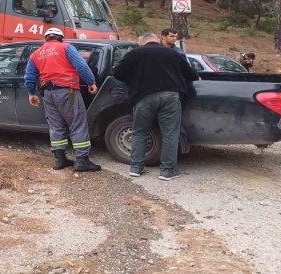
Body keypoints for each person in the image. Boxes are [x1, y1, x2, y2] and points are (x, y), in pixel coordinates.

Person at [113, 32, 199, 180]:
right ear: (156, 40)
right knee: (170, 134)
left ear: (141, 42)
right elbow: (191, 75)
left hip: (143, 97)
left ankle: (136, 168)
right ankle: (167, 171)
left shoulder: (134, 53)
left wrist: (133, 79)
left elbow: (117, 73)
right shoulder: (172, 53)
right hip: (170, 97)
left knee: (139, 132)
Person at [24, 28, 101, 172]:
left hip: (47, 93)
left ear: (45, 39)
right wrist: (91, 82)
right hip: (67, 91)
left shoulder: (36, 54)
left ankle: (60, 159)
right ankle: (82, 160)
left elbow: (29, 76)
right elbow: (81, 66)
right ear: (61, 38)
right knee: (77, 122)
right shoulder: (66, 47)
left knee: (56, 125)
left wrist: (31, 93)